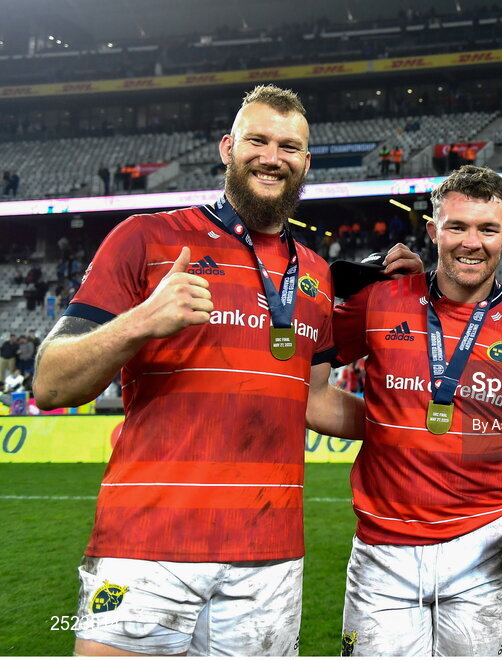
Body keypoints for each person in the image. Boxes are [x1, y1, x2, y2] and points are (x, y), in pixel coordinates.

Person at [31, 84, 395, 656]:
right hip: (146, 545)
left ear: (305, 163)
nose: (272, 157)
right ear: (227, 147)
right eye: (257, 140)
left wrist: (413, 426)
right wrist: (140, 322)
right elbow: (50, 383)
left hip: (268, 559)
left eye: (289, 147)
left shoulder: (316, 275)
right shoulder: (145, 238)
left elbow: (317, 401)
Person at [331, 165, 502, 656]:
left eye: (487, 229)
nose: (472, 242)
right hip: (382, 549)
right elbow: (301, 364)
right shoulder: (380, 300)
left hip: (484, 547)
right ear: (432, 231)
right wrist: (350, 274)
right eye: (457, 226)